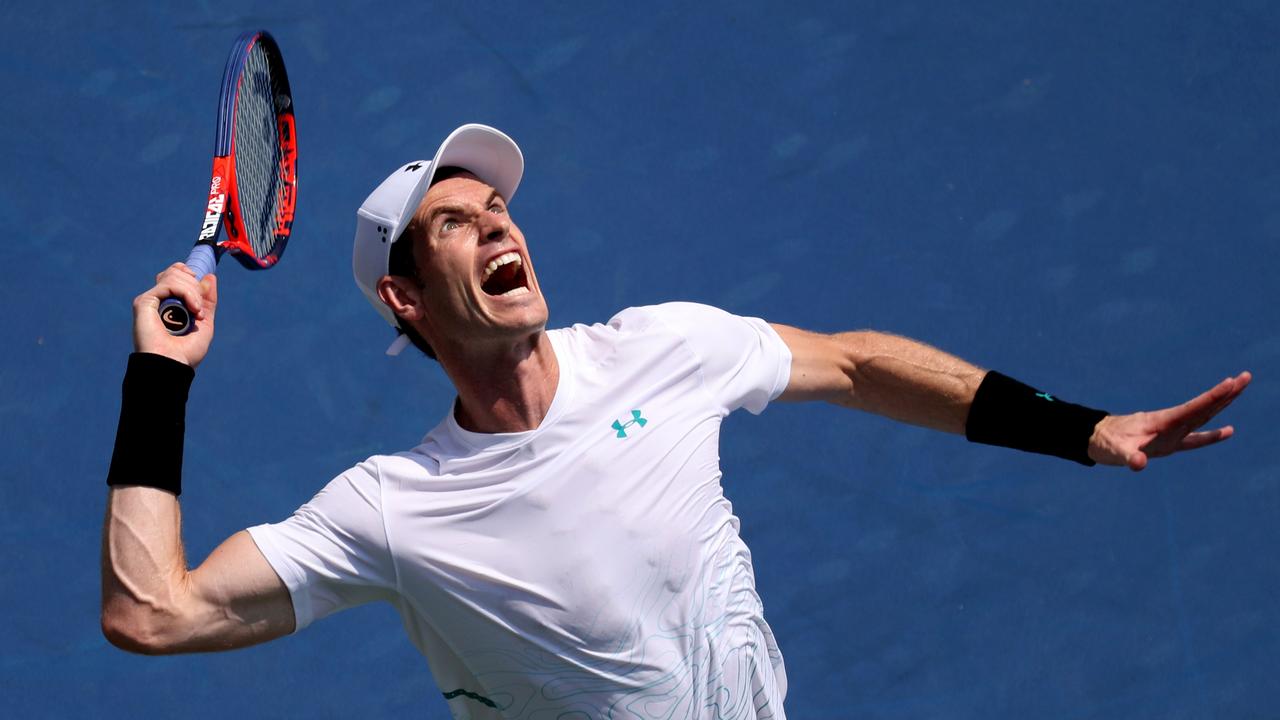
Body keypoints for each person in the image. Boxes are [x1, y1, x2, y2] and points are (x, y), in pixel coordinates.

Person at [102, 124, 1251, 719]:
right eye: (455, 223)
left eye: (499, 205)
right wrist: (160, 378)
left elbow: (853, 365)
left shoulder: (662, 348)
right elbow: (152, 614)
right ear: (405, 299)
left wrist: (1082, 429)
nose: (498, 223)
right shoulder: (391, 507)